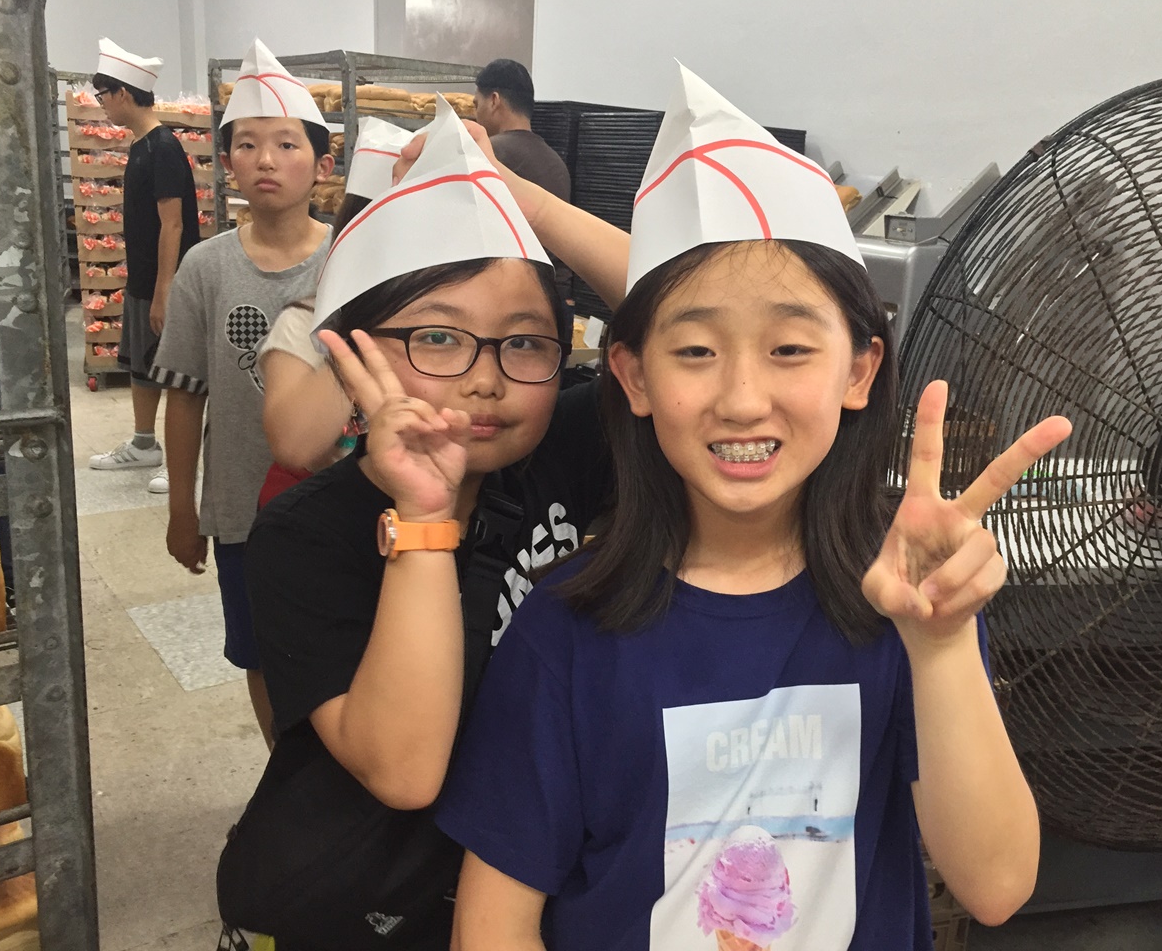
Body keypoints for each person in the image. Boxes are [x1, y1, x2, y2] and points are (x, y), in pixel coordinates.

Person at [434, 67, 1069, 950]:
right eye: (695, 350)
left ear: (859, 371)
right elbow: (493, 926)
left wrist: (941, 644)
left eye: (789, 349)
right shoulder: (565, 631)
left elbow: (995, 887)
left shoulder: (905, 603)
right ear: (633, 377)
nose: (741, 399)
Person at [222, 97, 625, 951]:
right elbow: (404, 772)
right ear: (355, 357)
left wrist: (521, 195)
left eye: (526, 343)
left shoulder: (559, 450)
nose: (486, 378)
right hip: (363, 907)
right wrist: (425, 517)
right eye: (438, 338)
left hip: (523, 883)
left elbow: (691, 311)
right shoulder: (305, 536)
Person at [150, 39, 334, 748]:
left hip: (343, 492)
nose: (265, 160)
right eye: (247, 145)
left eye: (286, 144)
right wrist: (183, 507)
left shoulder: (349, 258)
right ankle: (285, 774)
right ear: (226, 162)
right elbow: (186, 393)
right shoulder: (205, 268)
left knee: (339, 637)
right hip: (241, 506)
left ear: (321, 164)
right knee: (260, 650)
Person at [256, 116, 419, 494]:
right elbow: (293, 446)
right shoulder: (308, 324)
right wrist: (367, 319)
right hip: (334, 508)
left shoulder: (450, 328)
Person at [87, 38, 200, 493]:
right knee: (140, 365)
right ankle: (143, 443)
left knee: (174, 370)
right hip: (142, 279)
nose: (101, 104)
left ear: (123, 93)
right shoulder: (140, 145)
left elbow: (173, 224)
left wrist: (164, 291)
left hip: (164, 281)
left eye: (103, 94)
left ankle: (180, 460)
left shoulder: (163, 147)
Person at [474, 59, 570, 203]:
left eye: (476, 105)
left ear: (494, 100)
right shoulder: (557, 165)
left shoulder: (487, 154)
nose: (475, 115)